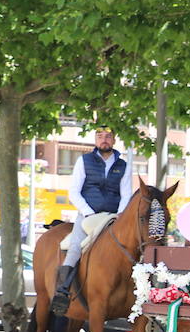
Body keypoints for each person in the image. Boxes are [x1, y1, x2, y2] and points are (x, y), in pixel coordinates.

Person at [51, 125, 133, 316]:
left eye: (108, 136)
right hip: (87, 215)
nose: (104, 139)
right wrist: (87, 213)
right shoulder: (84, 161)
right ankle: (62, 291)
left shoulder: (124, 165)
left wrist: (120, 215)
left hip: (113, 216)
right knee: (75, 248)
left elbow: (126, 194)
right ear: (96, 140)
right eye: (100, 136)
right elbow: (73, 192)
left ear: (113, 140)